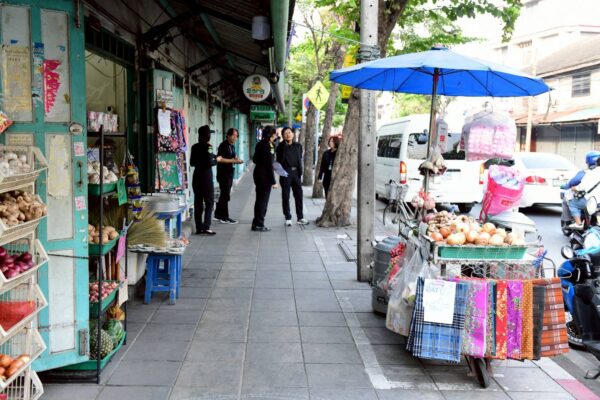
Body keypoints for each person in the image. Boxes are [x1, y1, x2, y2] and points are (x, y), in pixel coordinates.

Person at [190, 125, 223, 235]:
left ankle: (199, 228)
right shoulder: (209, 146)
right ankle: (206, 226)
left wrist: (211, 157)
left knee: (198, 202)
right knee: (209, 202)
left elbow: (192, 163)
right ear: (208, 136)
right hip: (206, 178)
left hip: (196, 177)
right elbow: (210, 162)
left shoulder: (194, 147)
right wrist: (217, 160)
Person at [276, 127, 309, 226]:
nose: (288, 134)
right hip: (285, 173)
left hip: (296, 173)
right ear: (283, 135)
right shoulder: (280, 146)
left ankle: (300, 217)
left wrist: (299, 173)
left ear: (293, 134)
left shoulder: (298, 146)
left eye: (289, 132)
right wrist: (285, 145)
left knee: (299, 195)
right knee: (286, 196)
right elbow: (279, 160)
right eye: (285, 133)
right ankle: (288, 217)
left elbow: (300, 159)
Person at [562, 151, 600, 228]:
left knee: (572, 203)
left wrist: (575, 188)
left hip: (592, 201)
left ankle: (578, 223)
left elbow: (582, 186)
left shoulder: (590, 172)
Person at [215, 128, 243, 224]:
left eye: (237, 136)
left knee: (224, 194)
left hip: (229, 173)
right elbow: (220, 159)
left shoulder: (232, 146)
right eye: (233, 135)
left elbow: (233, 157)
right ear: (228, 135)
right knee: (225, 195)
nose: (235, 137)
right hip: (223, 174)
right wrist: (233, 161)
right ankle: (224, 217)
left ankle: (217, 214)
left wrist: (237, 160)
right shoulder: (223, 145)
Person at [252, 125, 277, 232]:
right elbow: (269, 165)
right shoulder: (269, 146)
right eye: (275, 134)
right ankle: (259, 224)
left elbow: (254, 159)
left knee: (259, 199)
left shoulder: (259, 144)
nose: (276, 136)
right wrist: (273, 181)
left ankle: (256, 223)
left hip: (257, 174)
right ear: (272, 135)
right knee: (263, 201)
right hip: (265, 176)